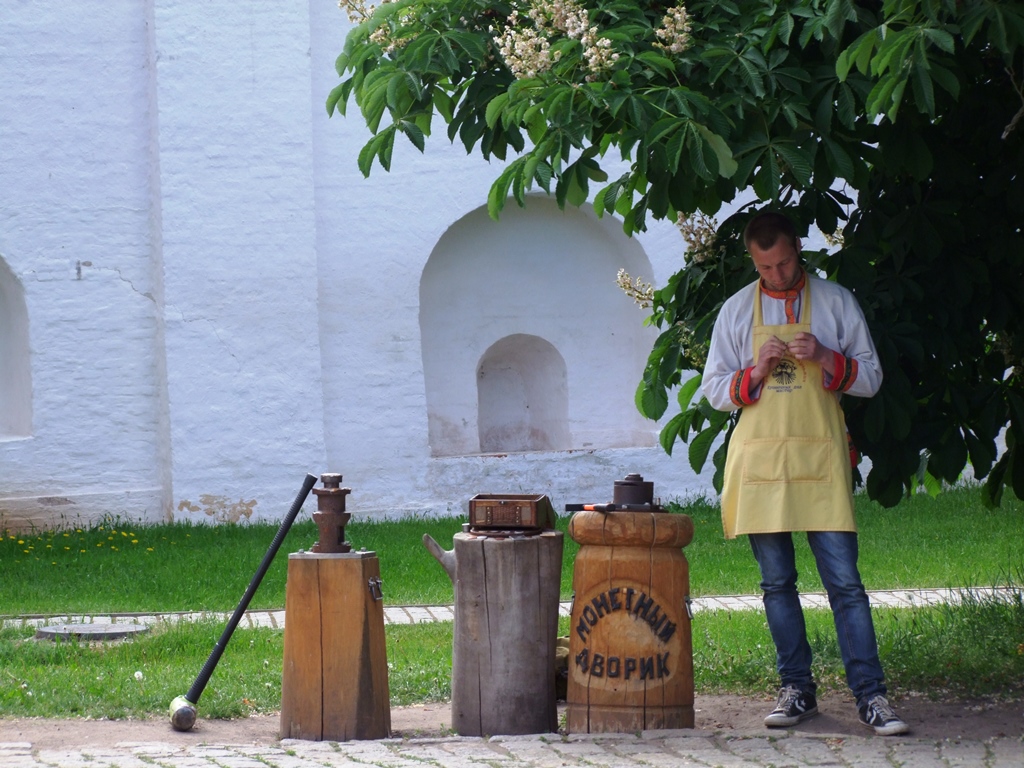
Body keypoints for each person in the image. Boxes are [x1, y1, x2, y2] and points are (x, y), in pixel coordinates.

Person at [702, 210, 910, 736]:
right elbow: (713, 391)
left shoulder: (837, 302)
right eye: (764, 267)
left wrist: (824, 355)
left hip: (819, 457)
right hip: (762, 460)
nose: (776, 275)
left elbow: (872, 378)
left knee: (846, 584)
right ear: (752, 261)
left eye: (784, 262)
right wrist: (755, 373)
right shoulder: (733, 312)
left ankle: (872, 695)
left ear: (799, 247)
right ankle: (796, 689)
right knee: (777, 584)